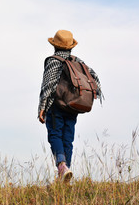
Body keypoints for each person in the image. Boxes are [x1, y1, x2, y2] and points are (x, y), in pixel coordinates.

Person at [38, 30, 103, 182]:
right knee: (68, 139)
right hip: (73, 106)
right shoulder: (78, 61)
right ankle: (66, 172)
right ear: (71, 47)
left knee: (55, 135)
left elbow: (48, 86)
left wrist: (42, 107)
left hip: (57, 106)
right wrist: (94, 95)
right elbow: (94, 78)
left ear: (55, 46)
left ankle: (62, 166)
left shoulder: (53, 61)